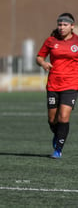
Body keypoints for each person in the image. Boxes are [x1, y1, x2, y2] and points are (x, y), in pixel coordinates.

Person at [36, 12, 78, 159]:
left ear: (72, 26)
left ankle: (58, 150)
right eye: (59, 24)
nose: (61, 27)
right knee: (52, 120)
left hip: (71, 84)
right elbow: (39, 57)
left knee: (63, 117)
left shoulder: (77, 42)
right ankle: (58, 135)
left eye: (65, 25)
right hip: (53, 84)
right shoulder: (50, 41)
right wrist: (43, 63)